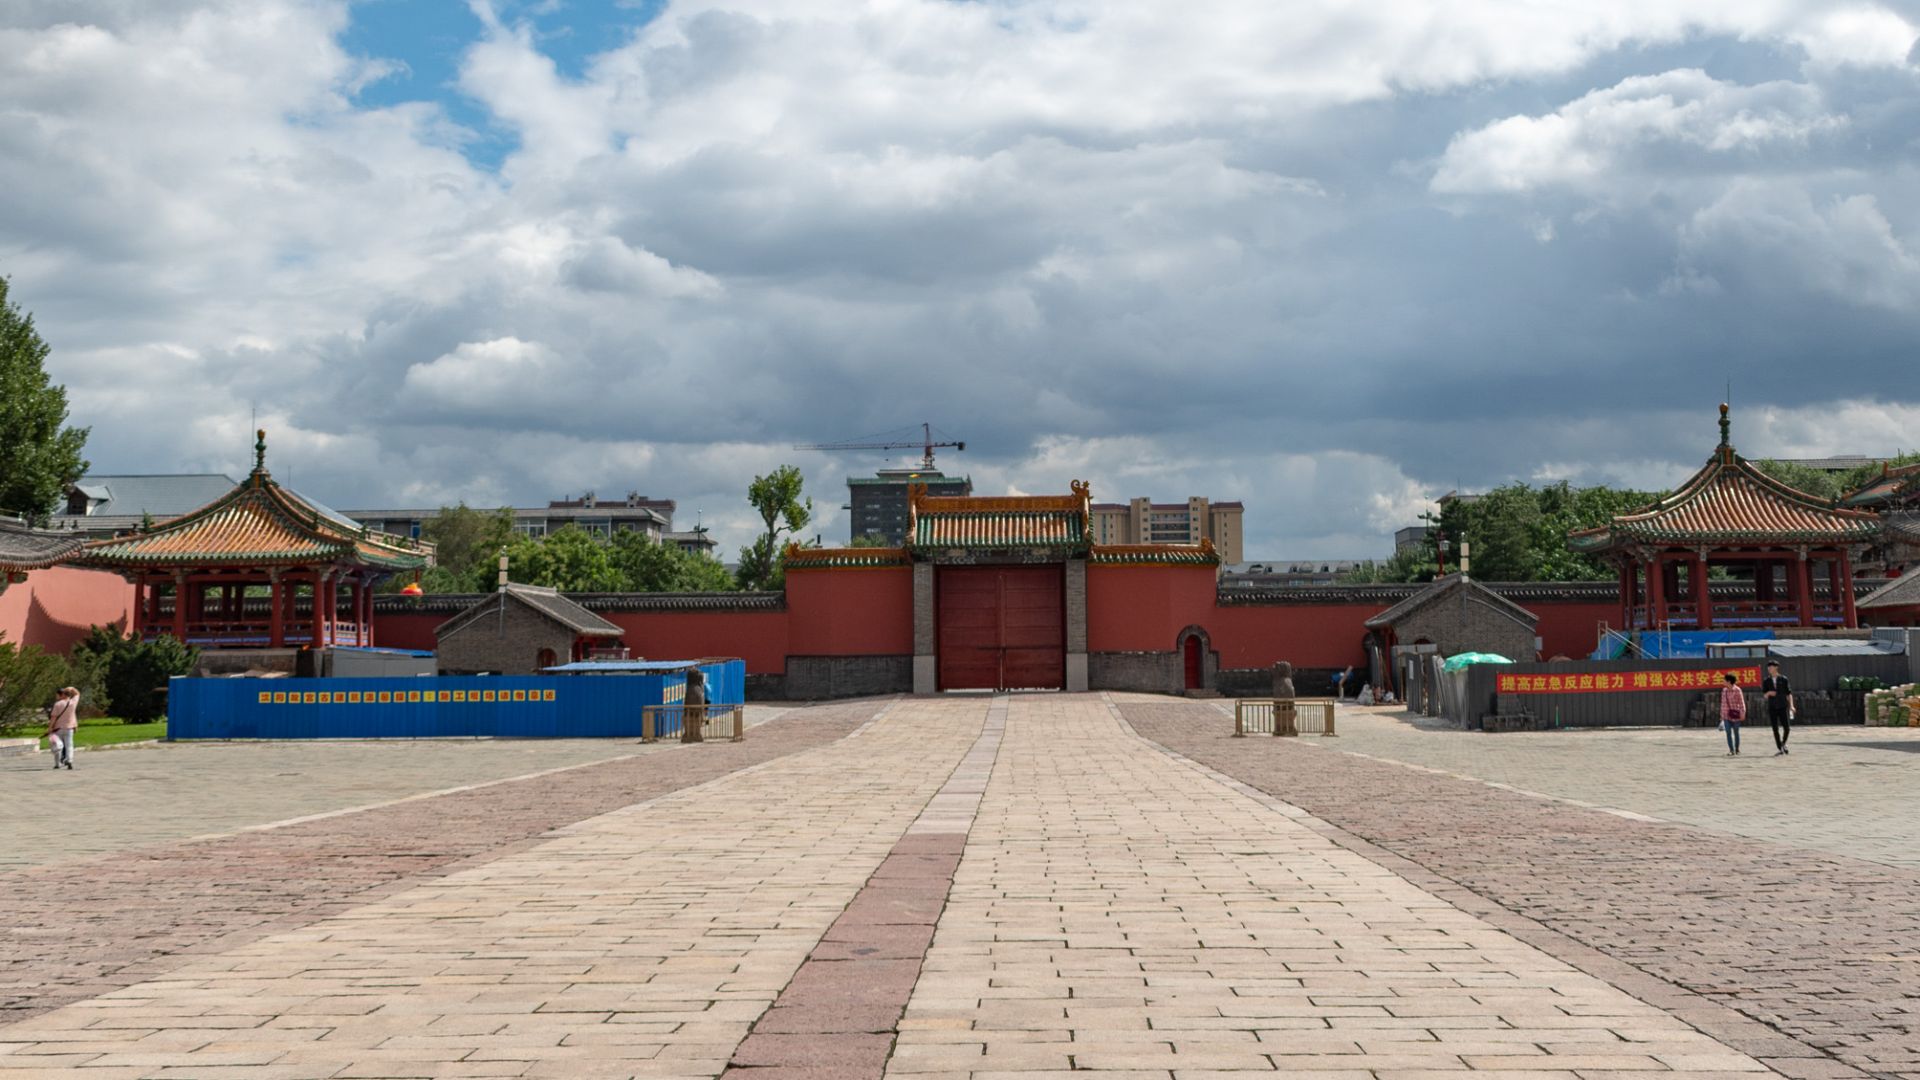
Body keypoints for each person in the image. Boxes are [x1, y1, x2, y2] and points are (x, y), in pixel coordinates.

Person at [1762, 659, 1794, 756]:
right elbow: (1764, 695)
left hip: (1783, 706)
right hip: (1772, 707)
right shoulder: (1766, 681)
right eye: (1768, 667)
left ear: (1776, 667)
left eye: (1771, 667)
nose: (1769, 669)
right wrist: (1769, 693)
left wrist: (1792, 706)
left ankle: (1783, 743)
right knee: (1775, 729)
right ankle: (1780, 748)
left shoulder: (1783, 679)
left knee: (1787, 728)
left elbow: (1789, 693)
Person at [45, 686, 79, 770]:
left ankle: (57, 764)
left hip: (58, 728)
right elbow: (77, 693)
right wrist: (71, 688)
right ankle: (69, 760)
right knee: (69, 745)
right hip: (69, 728)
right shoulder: (73, 702)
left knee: (58, 746)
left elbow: (53, 717)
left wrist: (50, 728)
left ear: (63, 694)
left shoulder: (58, 704)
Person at [1718, 672, 1744, 756]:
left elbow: (1741, 702)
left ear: (1729, 681)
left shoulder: (1737, 690)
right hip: (1726, 715)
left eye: (1724, 680)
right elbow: (1723, 703)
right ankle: (1731, 750)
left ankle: (1737, 749)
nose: (1723, 681)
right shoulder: (1724, 691)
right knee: (1728, 732)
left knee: (1736, 732)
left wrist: (1743, 712)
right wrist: (1721, 716)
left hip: (1736, 714)